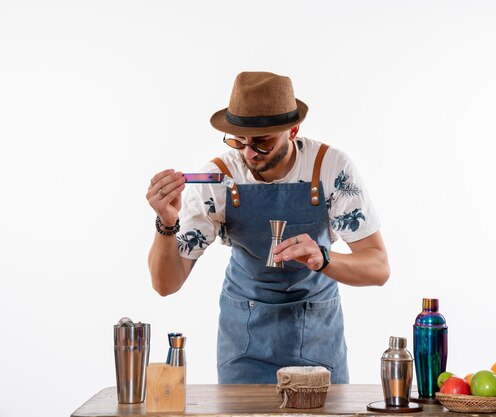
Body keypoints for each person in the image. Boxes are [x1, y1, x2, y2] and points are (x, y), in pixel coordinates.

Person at [146, 71, 390, 384]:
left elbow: (379, 267)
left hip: (318, 341)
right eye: (239, 142)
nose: (248, 154)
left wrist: (325, 258)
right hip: (244, 346)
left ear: (293, 130)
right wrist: (166, 222)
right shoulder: (219, 177)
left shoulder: (330, 168)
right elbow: (166, 284)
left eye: (262, 143)